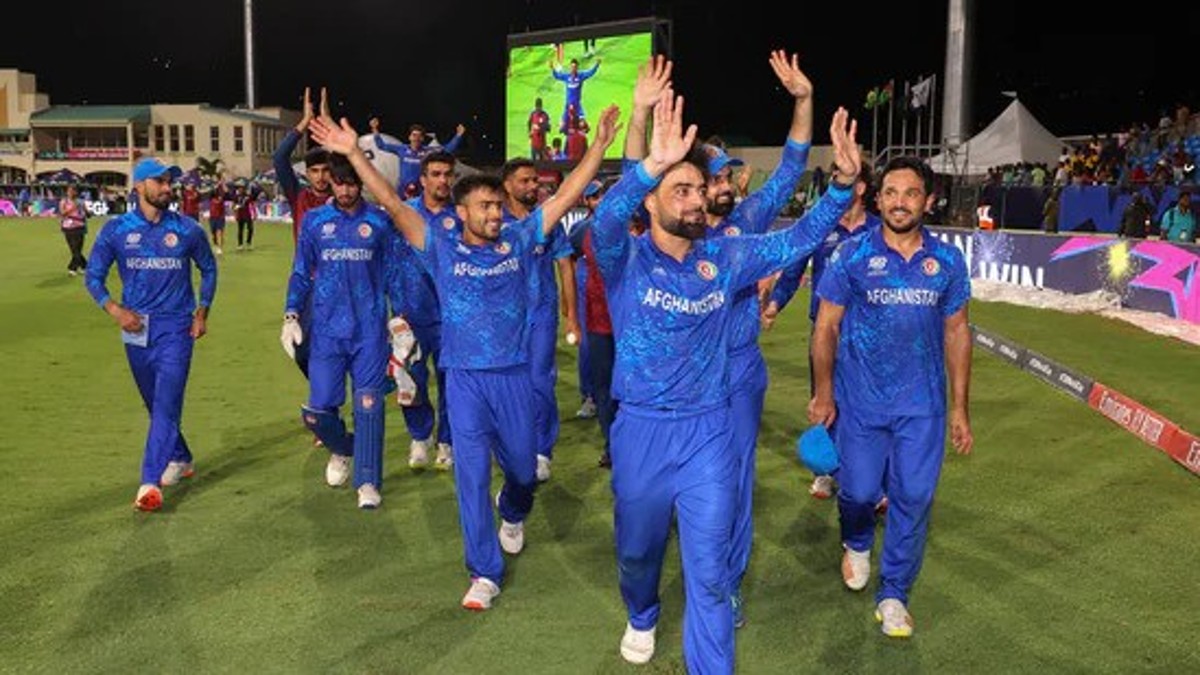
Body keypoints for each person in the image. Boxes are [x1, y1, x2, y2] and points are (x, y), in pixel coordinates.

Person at [307, 102, 619, 611]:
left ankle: (513, 510)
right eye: (485, 207)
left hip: (514, 378)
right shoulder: (440, 247)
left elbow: (565, 196)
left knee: (522, 472)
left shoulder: (520, 239)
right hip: (466, 382)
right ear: (461, 213)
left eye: (498, 206)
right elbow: (390, 201)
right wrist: (354, 156)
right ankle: (483, 573)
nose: (496, 214)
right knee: (469, 477)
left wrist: (601, 147)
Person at [591, 86, 858, 671]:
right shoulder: (626, 259)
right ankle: (642, 612)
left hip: (709, 430)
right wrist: (645, 168)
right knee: (638, 555)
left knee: (709, 574)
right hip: (640, 432)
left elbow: (797, 239)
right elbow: (604, 220)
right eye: (678, 190)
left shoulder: (727, 257)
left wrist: (840, 187)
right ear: (653, 201)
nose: (693, 201)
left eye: (696, 190)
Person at [808, 155, 974, 639]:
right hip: (861, 402)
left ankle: (895, 592)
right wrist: (823, 393)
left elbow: (958, 332)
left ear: (928, 200)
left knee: (914, 497)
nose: (901, 203)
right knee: (858, 492)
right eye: (892, 193)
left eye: (911, 193)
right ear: (877, 198)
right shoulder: (853, 255)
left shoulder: (946, 261)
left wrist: (960, 407)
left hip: (922, 408)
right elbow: (826, 327)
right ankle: (856, 541)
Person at [84, 157, 218, 511]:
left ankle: (148, 482)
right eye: (159, 182)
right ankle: (182, 458)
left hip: (177, 327)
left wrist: (202, 310)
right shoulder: (115, 230)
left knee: (165, 404)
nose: (166, 188)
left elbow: (209, 268)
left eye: (169, 182)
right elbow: (92, 277)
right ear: (139, 186)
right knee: (154, 403)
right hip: (135, 328)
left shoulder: (188, 230)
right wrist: (115, 311)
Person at [281, 153, 395, 510]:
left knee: (369, 407)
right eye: (339, 182)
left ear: (360, 184)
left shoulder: (379, 221)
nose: (345, 190)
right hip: (327, 332)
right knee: (318, 411)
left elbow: (394, 271)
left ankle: (368, 482)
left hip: (369, 331)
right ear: (330, 182)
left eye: (351, 183)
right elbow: (301, 272)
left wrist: (401, 319)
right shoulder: (315, 222)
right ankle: (343, 449)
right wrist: (291, 315)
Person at [767, 162, 881, 501]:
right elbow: (794, 269)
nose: (836, 185)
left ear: (860, 188)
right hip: (824, 333)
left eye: (843, 180)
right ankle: (826, 473)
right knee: (824, 399)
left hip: (868, 336)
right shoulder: (821, 227)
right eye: (834, 179)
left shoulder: (878, 230)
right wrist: (775, 303)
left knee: (867, 408)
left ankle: (870, 476)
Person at [500, 157, 580, 482]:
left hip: (541, 316)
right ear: (508, 185)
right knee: (509, 386)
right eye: (525, 181)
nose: (533, 186)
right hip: (504, 321)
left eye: (535, 181)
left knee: (539, 383)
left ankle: (542, 451)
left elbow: (565, 265)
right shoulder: (495, 221)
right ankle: (514, 445)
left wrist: (571, 313)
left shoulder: (548, 221)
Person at [389, 150, 458, 470]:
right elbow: (386, 260)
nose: (443, 180)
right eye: (436, 174)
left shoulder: (461, 217)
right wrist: (393, 309)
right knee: (411, 381)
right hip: (410, 316)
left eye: (448, 174)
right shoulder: (403, 214)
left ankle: (447, 442)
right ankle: (420, 436)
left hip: (450, 316)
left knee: (452, 383)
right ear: (423, 179)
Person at [273, 87, 335, 404]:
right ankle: (325, 392)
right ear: (307, 173)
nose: (321, 176)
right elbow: (279, 158)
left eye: (326, 170)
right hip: (307, 285)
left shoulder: (343, 200)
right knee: (301, 350)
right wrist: (304, 123)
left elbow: (344, 153)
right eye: (314, 170)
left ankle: (325, 407)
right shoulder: (299, 197)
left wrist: (328, 123)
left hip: (341, 284)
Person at [373, 121, 466, 199]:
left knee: (419, 214)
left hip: (420, 190)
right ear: (409, 137)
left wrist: (458, 135)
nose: (416, 138)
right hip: (402, 189)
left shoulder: (428, 151)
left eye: (419, 136)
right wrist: (375, 129)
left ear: (422, 138)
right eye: (414, 135)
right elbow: (381, 145)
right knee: (399, 212)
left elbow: (447, 149)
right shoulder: (402, 149)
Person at [551, 57, 600, 133]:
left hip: (577, 105)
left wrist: (597, 65)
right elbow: (557, 76)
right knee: (561, 127)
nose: (573, 69)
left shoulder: (581, 76)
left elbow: (590, 73)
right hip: (568, 105)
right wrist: (552, 68)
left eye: (575, 67)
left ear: (577, 67)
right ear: (570, 67)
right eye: (572, 67)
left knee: (583, 125)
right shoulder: (566, 77)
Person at [58, 184, 89, 276]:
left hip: (80, 226)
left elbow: (87, 213)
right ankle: (82, 266)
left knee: (78, 249)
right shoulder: (64, 202)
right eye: (69, 191)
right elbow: (62, 213)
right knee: (74, 249)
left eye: (72, 191)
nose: (70, 193)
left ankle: (75, 268)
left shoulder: (81, 202)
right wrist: (72, 208)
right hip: (68, 227)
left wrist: (87, 212)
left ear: (76, 192)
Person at [207, 180, 227, 255]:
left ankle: (220, 248)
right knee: (213, 233)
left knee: (220, 233)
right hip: (212, 218)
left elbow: (226, 193)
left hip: (220, 217)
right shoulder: (211, 198)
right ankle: (215, 245)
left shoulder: (221, 198)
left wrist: (221, 184)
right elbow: (210, 192)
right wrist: (215, 186)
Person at [234, 186, 256, 250]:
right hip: (240, 215)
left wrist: (254, 213)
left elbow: (252, 204)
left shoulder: (248, 196)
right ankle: (240, 244)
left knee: (250, 229)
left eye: (242, 189)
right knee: (240, 230)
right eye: (239, 189)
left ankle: (248, 243)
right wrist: (235, 214)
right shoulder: (237, 197)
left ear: (244, 189)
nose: (240, 190)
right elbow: (234, 205)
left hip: (247, 215)